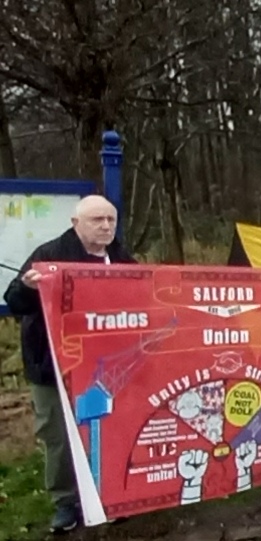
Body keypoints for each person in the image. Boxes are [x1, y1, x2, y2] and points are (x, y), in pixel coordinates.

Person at [3, 196, 136, 533]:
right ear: (76, 223)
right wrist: (28, 287)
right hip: (53, 365)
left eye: (111, 219)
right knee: (58, 436)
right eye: (97, 220)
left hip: (105, 365)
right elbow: (15, 300)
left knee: (109, 429)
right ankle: (65, 501)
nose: (106, 226)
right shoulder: (49, 255)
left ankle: (112, 494)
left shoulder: (121, 258)